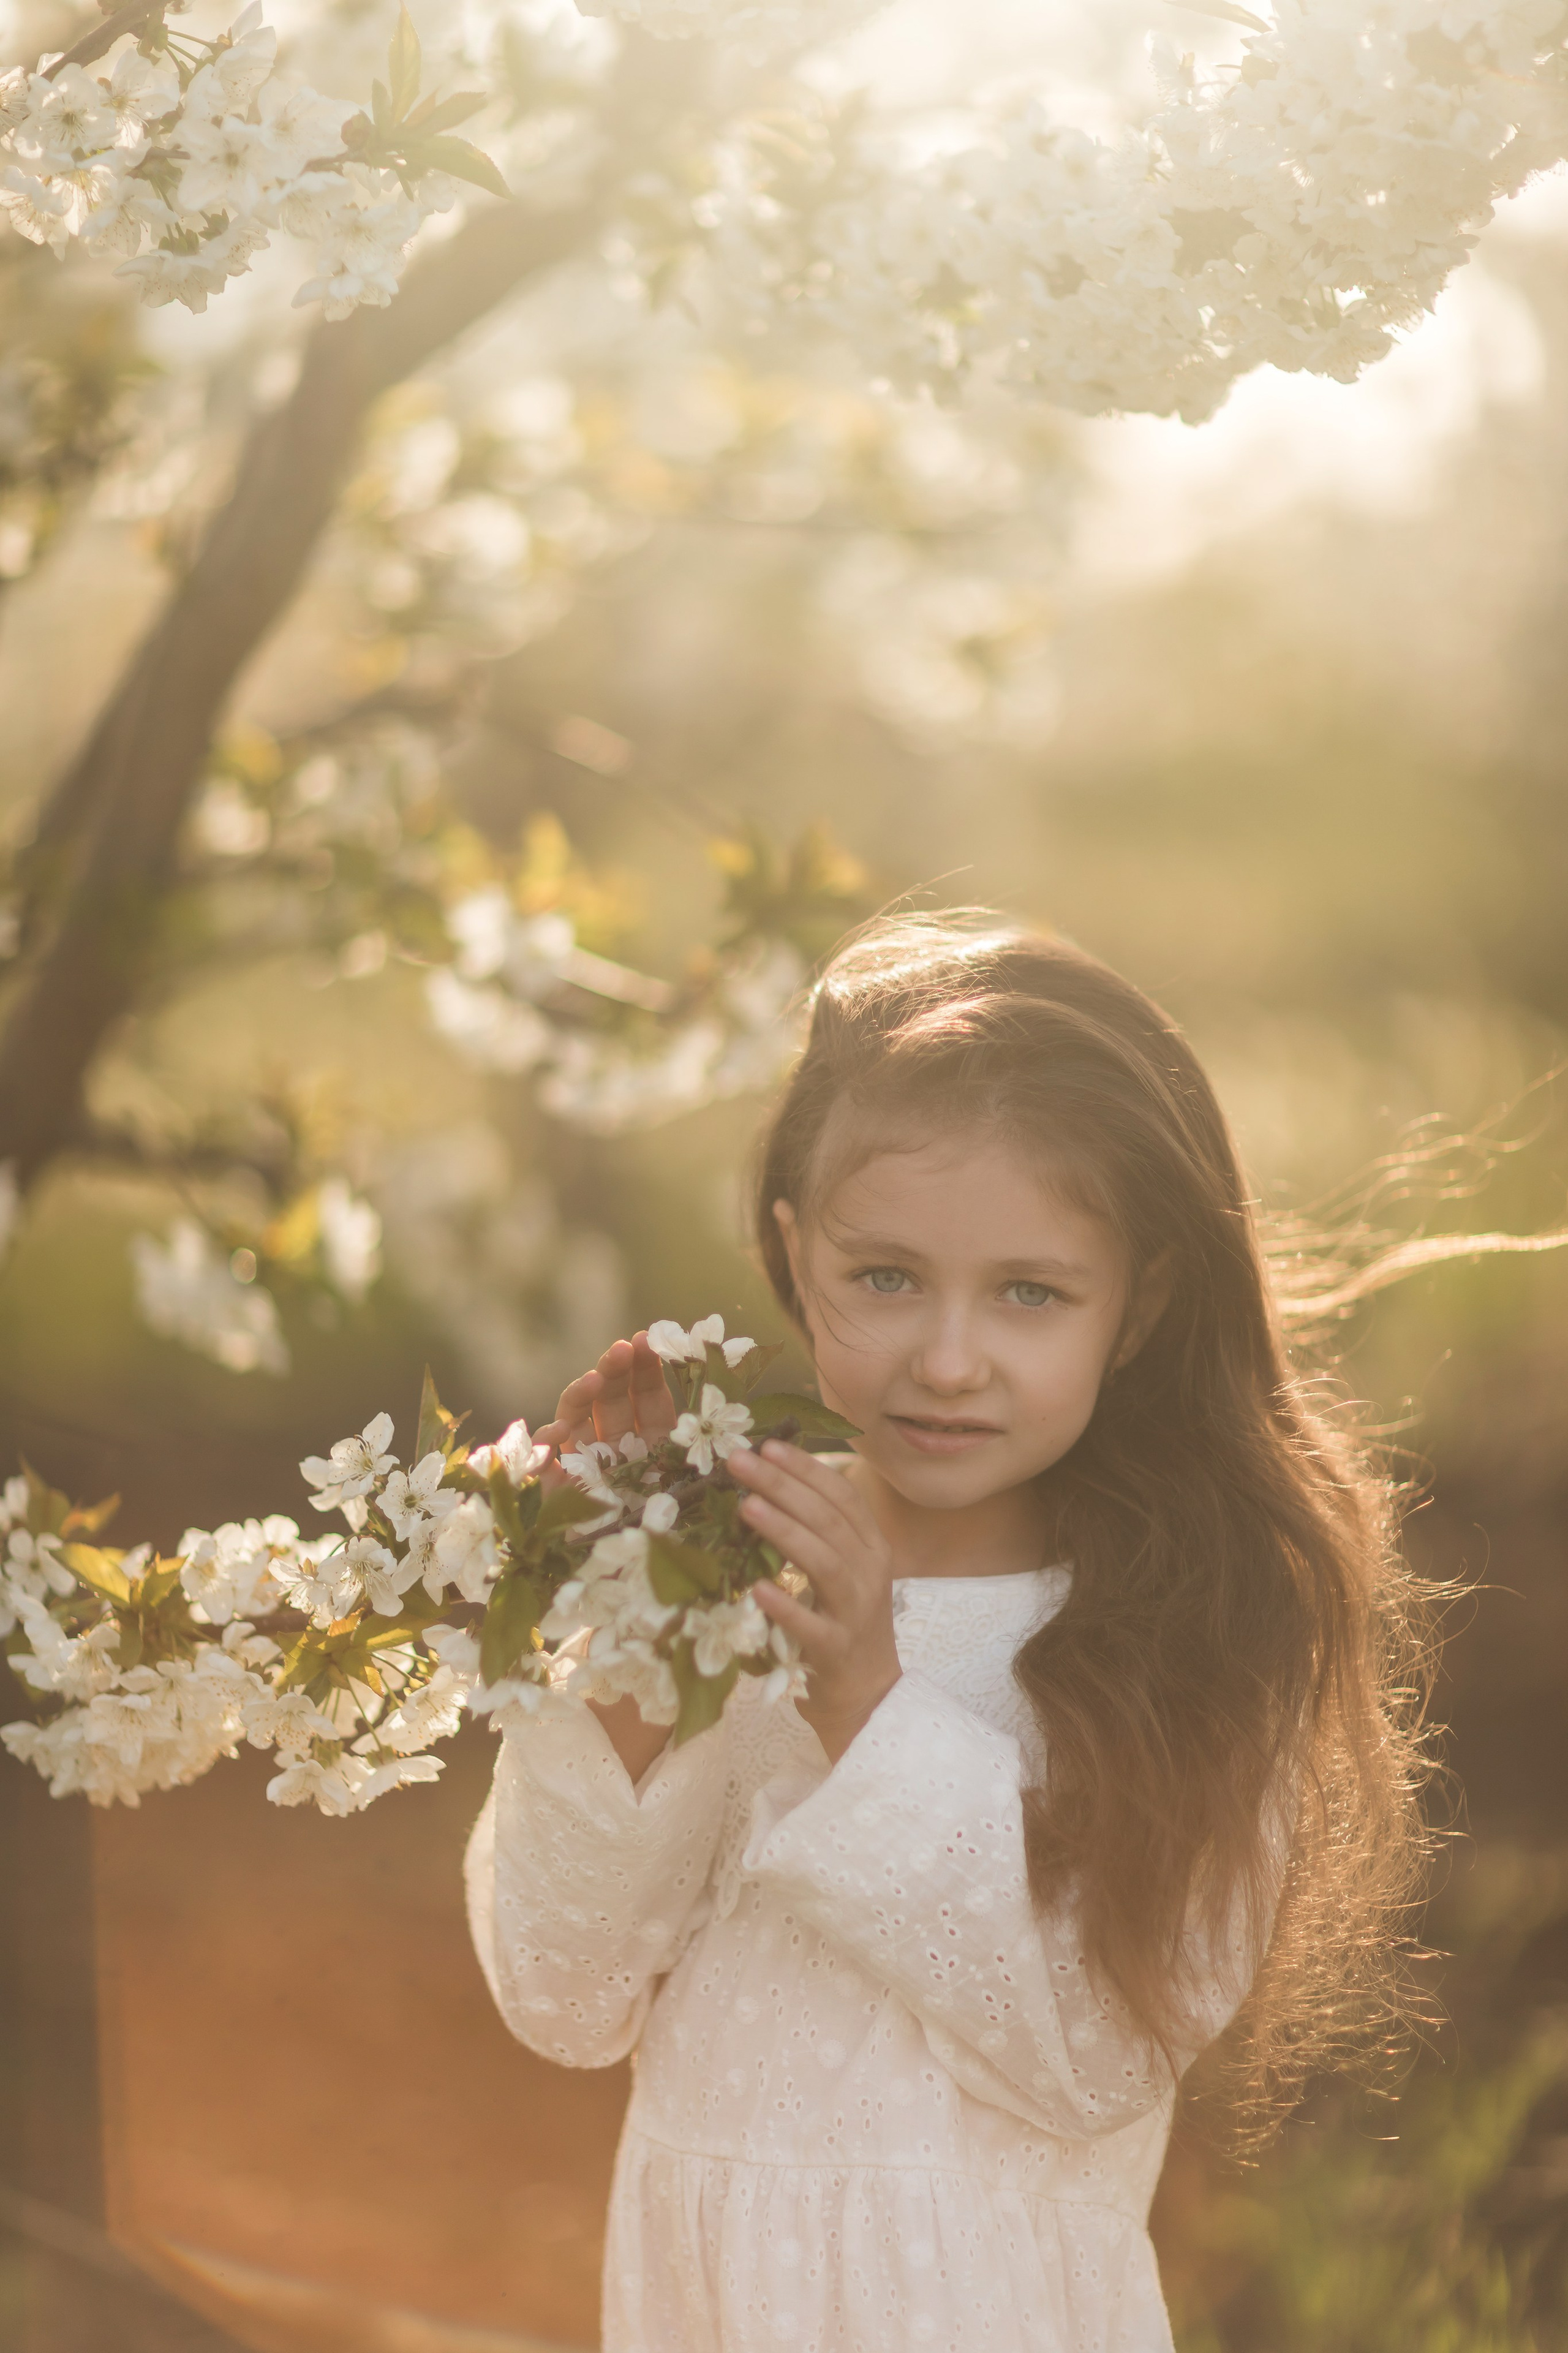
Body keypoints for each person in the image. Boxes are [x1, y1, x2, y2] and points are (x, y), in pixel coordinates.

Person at [463, 913, 1431, 2353]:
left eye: (1028, 1293)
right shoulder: (740, 1569)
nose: (948, 1356)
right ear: (797, 1254)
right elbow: (564, 1995)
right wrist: (628, 1627)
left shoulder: (1182, 1635)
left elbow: (1090, 2053)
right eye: (886, 1276)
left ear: (1139, 1303)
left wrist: (865, 1694)